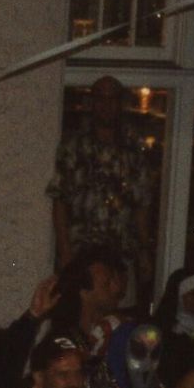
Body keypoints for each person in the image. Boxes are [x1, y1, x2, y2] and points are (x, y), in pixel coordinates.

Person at [51, 75, 156, 293]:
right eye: (101, 98)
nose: (106, 105)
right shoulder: (73, 146)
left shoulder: (134, 149)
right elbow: (60, 200)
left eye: (112, 99)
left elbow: (141, 206)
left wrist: (144, 252)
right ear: (92, 103)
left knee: (118, 310)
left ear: (120, 103)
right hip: (81, 253)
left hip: (120, 254)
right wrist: (64, 251)